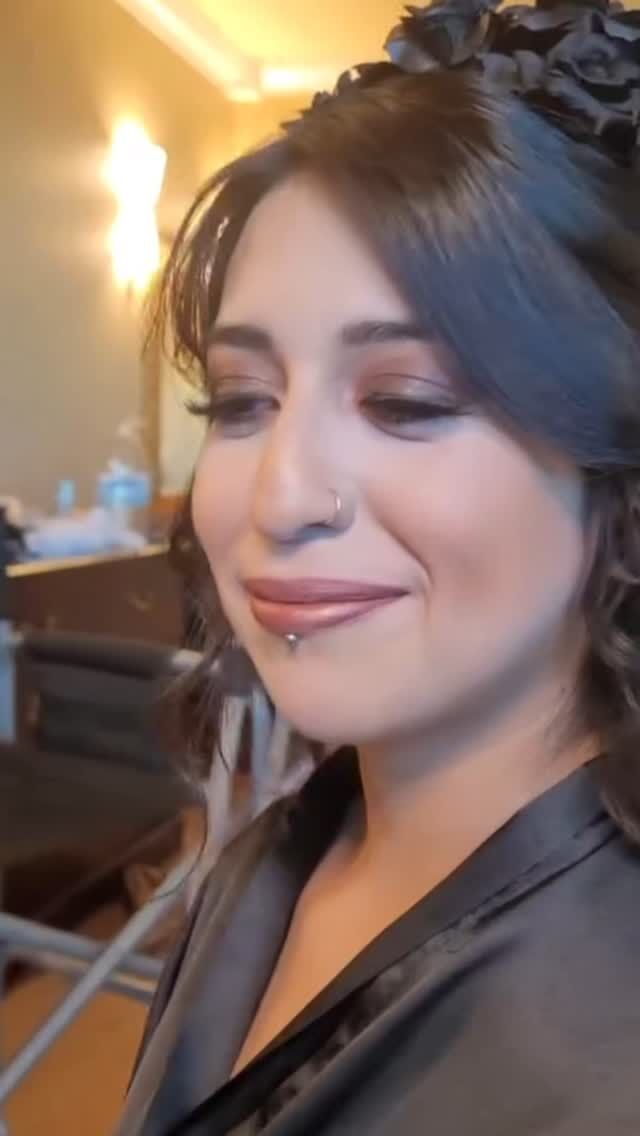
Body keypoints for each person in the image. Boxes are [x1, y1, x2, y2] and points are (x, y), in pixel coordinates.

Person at [117, 1, 640, 1132]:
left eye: (405, 401)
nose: (282, 496)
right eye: (244, 402)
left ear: (616, 463)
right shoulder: (287, 840)